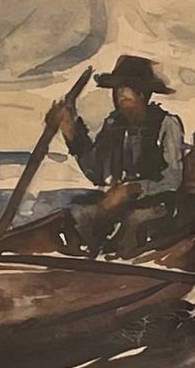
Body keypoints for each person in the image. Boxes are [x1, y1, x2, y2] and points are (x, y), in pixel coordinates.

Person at [53, 52, 186, 255]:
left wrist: (133, 188)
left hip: (158, 205)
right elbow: (96, 172)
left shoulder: (167, 124)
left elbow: (173, 179)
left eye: (127, 88)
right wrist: (72, 134)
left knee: (133, 222)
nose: (120, 94)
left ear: (143, 93)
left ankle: (119, 261)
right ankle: (86, 259)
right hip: (118, 204)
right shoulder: (114, 124)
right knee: (77, 215)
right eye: (117, 89)